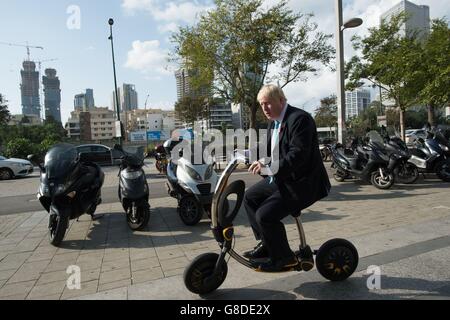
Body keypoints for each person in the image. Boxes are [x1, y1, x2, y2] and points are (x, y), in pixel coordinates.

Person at [243, 84, 331, 272]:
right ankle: (267, 243)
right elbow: (267, 147)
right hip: (283, 179)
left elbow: (298, 154)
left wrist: (269, 166)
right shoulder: (274, 121)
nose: (264, 108)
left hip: (303, 183)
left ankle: (285, 258)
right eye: (261, 104)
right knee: (250, 197)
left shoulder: (299, 119)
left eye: (267, 103)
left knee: (265, 216)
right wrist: (244, 153)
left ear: (281, 100)